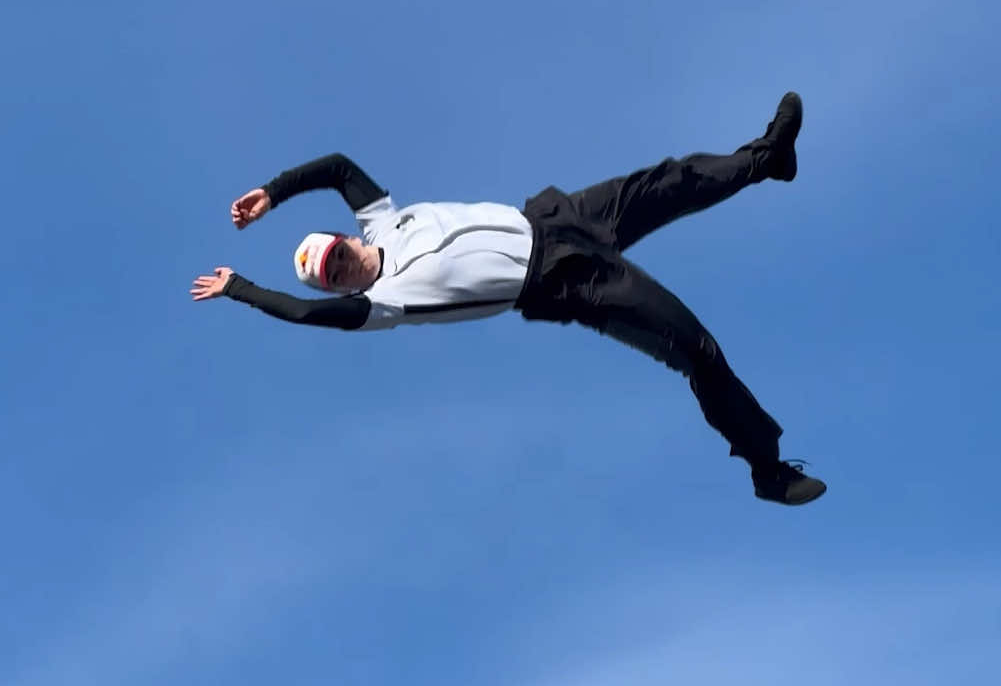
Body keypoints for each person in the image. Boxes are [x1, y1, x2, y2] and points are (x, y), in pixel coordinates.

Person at [191, 93, 826, 505]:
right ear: (340, 289)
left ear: (343, 238)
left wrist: (273, 192)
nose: (338, 270)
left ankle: (767, 158)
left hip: (557, 217)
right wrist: (239, 289)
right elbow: (303, 312)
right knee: (696, 348)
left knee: (669, 181)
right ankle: (767, 470)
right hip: (567, 282)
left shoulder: (381, 220)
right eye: (332, 276)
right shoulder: (385, 303)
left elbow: (336, 166)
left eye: (334, 256)